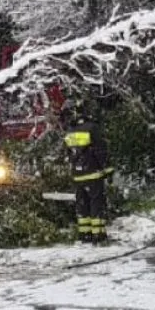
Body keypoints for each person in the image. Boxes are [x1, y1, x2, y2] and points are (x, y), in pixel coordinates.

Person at [62, 98, 113, 245]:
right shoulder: (92, 128)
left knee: (82, 204)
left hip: (78, 176)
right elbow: (101, 151)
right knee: (96, 203)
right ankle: (98, 235)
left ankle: (84, 234)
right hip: (93, 174)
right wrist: (108, 170)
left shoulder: (70, 131)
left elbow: (68, 153)